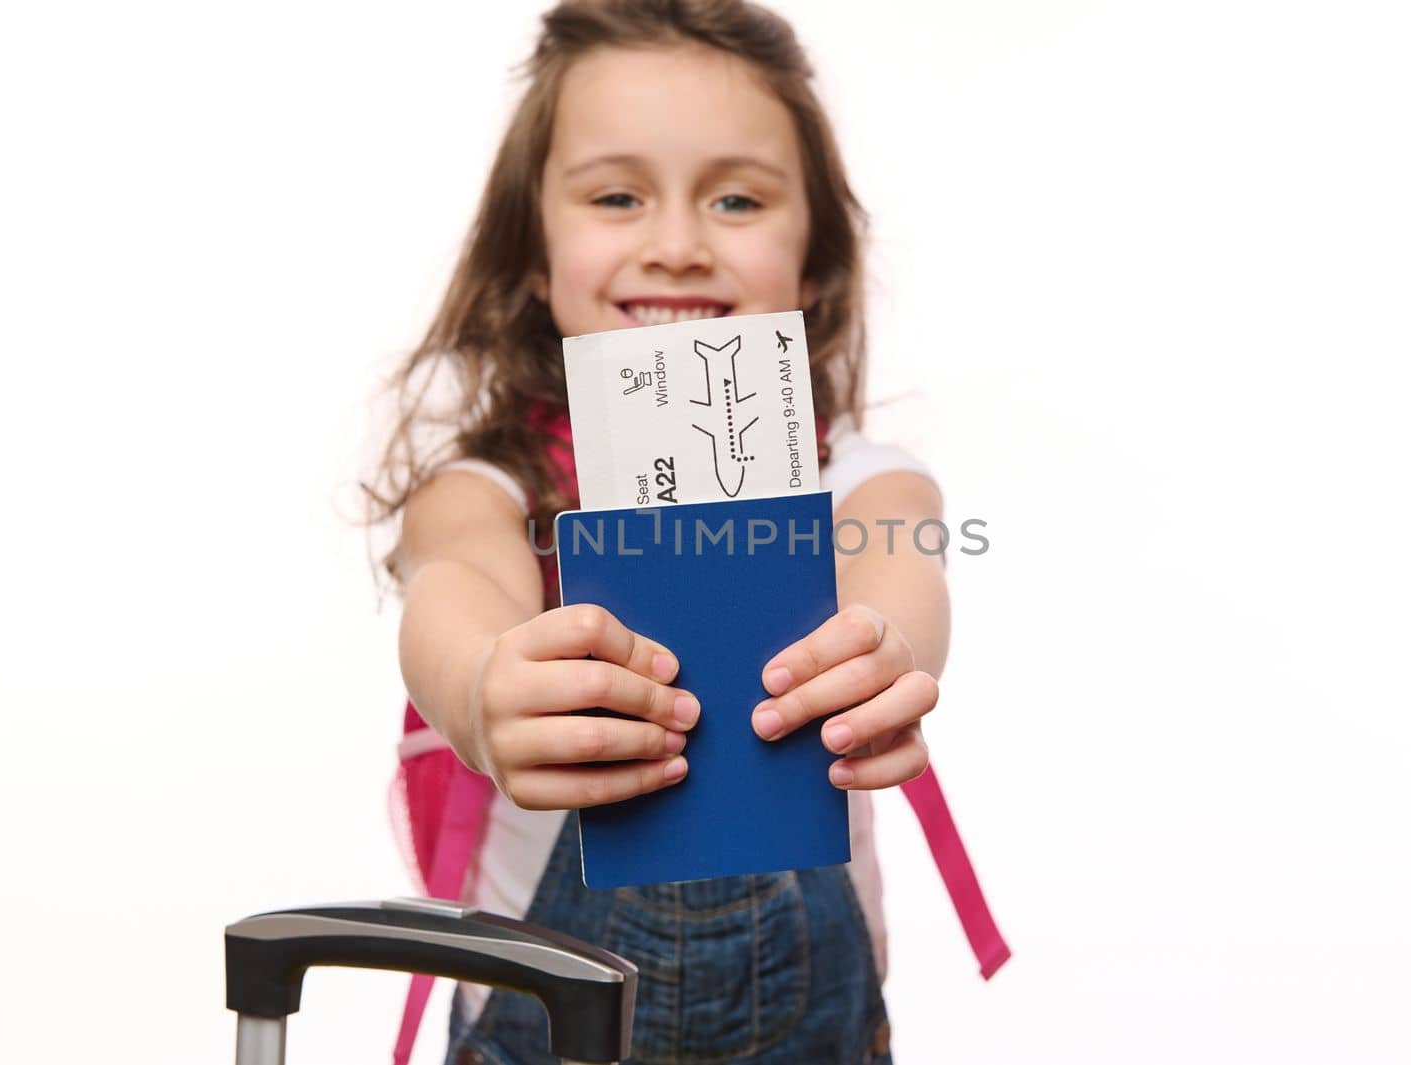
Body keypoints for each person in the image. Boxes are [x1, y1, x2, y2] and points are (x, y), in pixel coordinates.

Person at [361, 2, 996, 1061]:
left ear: (812, 263)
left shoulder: (862, 484)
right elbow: (455, 580)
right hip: (533, 1029)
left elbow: (898, 573)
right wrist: (480, 689)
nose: (676, 244)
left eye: (737, 199)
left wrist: (880, 660)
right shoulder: (484, 490)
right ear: (533, 253)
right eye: (617, 196)